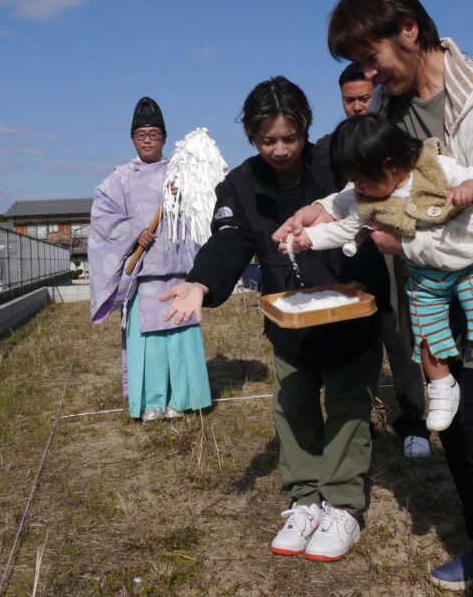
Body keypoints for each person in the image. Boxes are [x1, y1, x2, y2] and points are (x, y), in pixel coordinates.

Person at [275, 0, 473, 596]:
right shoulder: (394, 104)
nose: (367, 73)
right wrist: (321, 212)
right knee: (453, 429)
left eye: (370, 56)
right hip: (433, 295)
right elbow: (377, 184)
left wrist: (410, 247)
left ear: (409, 28)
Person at [161, 77, 390, 562]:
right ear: (251, 135)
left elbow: (378, 206)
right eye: (268, 140)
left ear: (306, 128)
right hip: (290, 319)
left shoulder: (339, 165)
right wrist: (201, 283)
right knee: (293, 405)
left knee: (348, 406)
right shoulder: (240, 185)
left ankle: (342, 505)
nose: (281, 150)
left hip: (349, 306)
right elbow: (228, 241)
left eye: (291, 138)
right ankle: (304, 498)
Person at [286, 113, 473, 431]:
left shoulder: (433, 167)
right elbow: (344, 230)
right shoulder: (368, 200)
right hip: (423, 275)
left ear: (390, 164)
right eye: (353, 182)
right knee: (426, 333)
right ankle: (441, 388)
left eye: (361, 180)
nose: (357, 188)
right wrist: (308, 239)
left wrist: (470, 188)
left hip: (468, 263)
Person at [316, 65, 432, 458]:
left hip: (396, 262)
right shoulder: (330, 147)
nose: (356, 106)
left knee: (402, 344)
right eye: (348, 100)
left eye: (364, 98)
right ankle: (358, 423)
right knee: (354, 349)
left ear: (378, 95)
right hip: (351, 265)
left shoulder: (397, 143)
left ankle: (413, 424)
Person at [89, 97, 212, 421]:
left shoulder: (180, 174)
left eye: (154, 134)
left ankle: (183, 400)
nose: (147, 140)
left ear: (164, 138)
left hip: (179, 272)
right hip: (143, 276)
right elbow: (102, 216)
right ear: (132, 139)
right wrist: (135, 232)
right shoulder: (120, 178)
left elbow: (202, 206)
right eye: (141, 134)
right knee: (151, 346)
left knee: (180, 338)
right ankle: (151, 404)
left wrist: (186, 194)